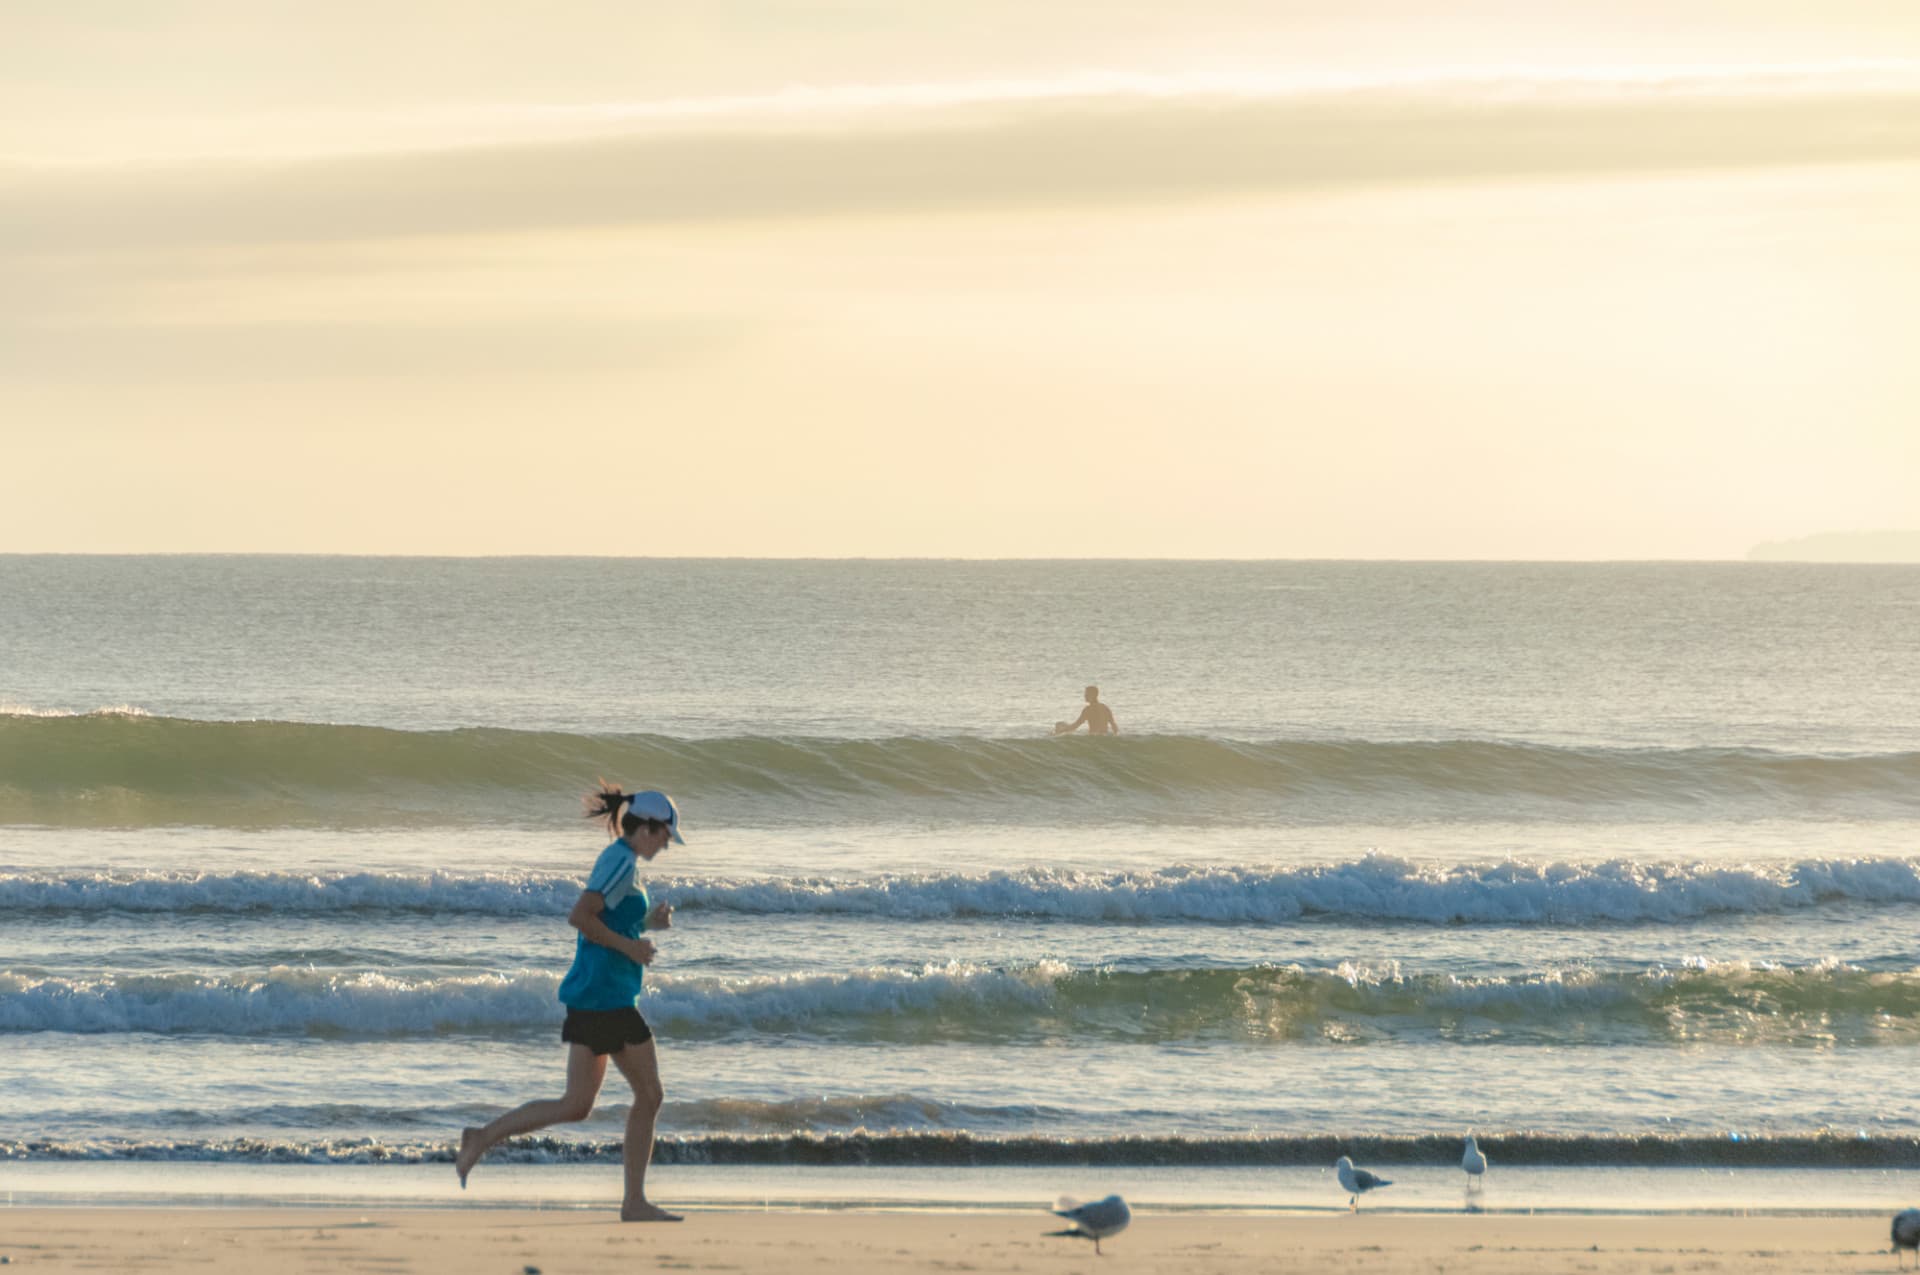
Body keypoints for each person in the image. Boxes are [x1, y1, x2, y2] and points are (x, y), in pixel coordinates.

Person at [455, 783, 684, 1222]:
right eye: (666, 834)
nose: (668, 843)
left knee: (575, 1105)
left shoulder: (622, 860)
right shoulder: (619, 862)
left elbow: (610, 917)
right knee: (650, 1095)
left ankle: (481, 1138)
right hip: (606, 997)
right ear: (648, 827)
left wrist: (646, 921)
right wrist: (632, 948)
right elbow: (580, 917)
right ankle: (633, 1202)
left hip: (597, 994)